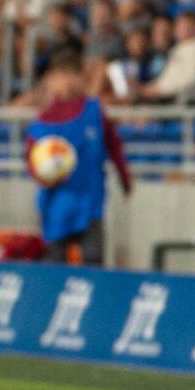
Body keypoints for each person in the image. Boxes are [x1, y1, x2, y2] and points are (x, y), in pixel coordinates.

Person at [28, 47, 132, 265]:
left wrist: (125, 178)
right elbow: (31, 161)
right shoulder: (42, 122)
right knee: (55, 260)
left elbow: (114, 145)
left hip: (90, 202)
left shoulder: (94, 111)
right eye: (61, 76)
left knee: (93, 258)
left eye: (73, 76)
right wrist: (42, 176)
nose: (68, 82)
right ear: (52, 80)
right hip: (56, 204)